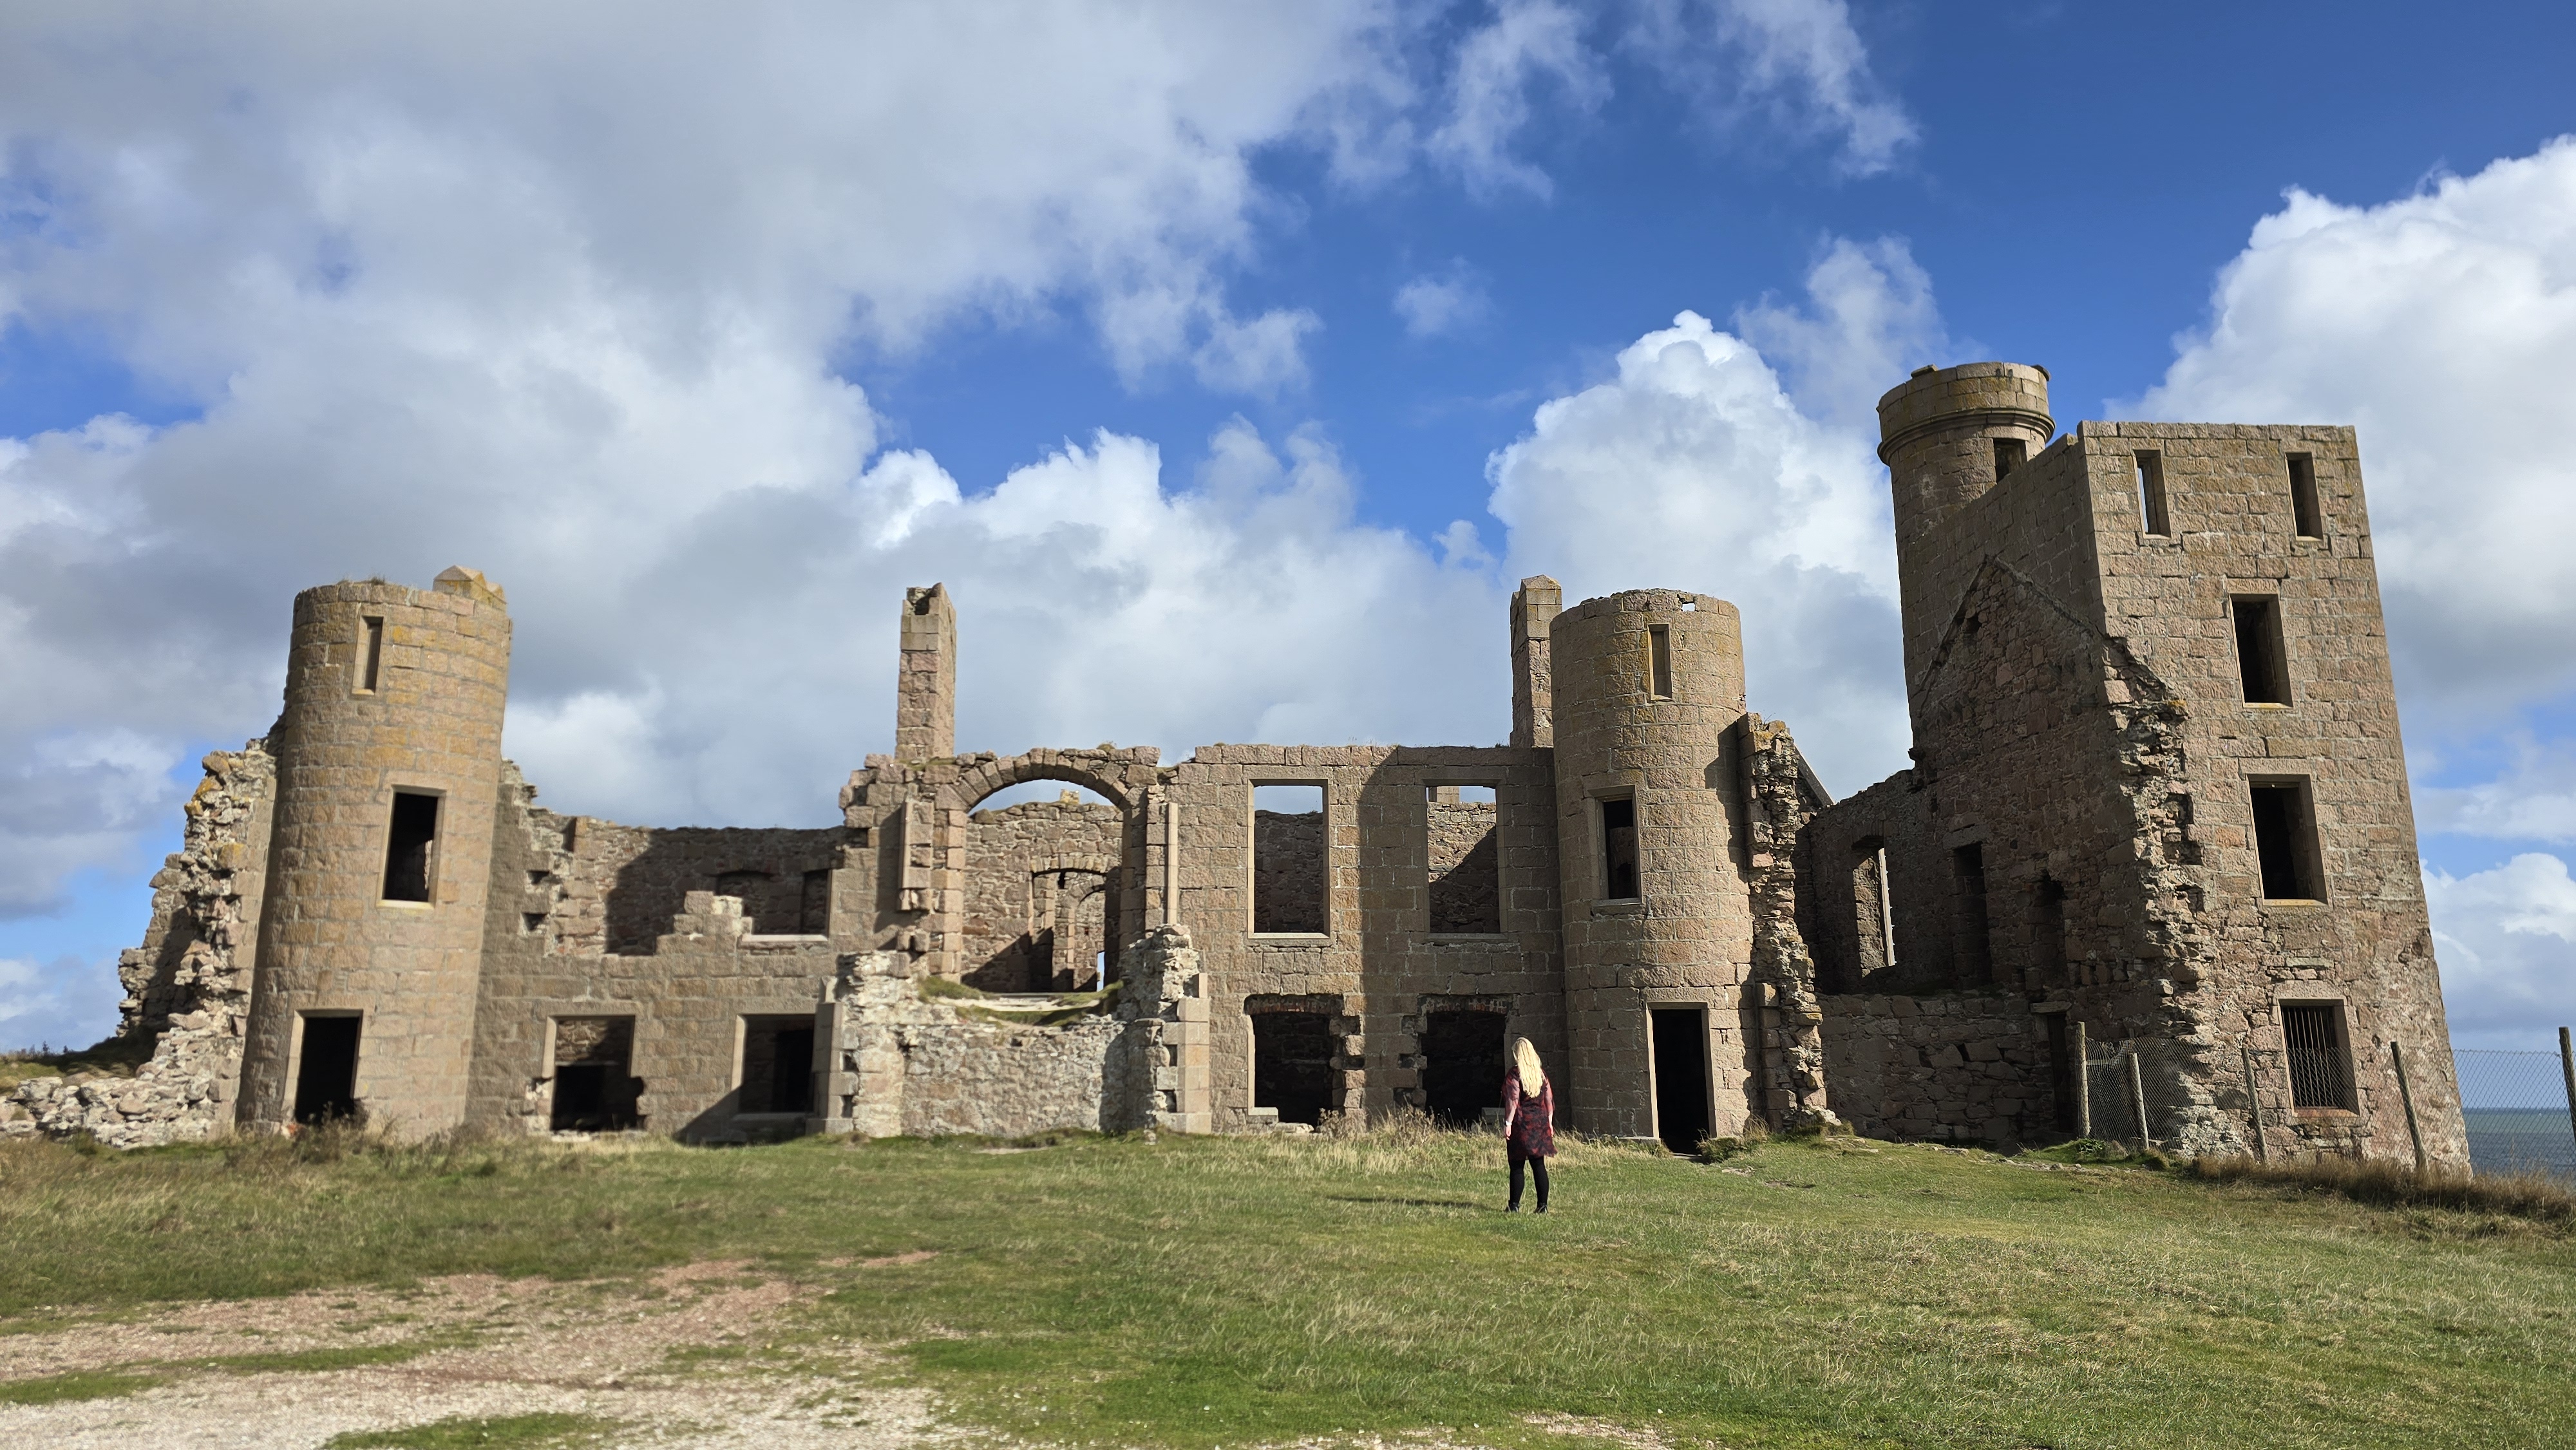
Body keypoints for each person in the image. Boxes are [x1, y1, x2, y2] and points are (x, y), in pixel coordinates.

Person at [1501, 1035, 1554, 1214]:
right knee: (1539, 1164)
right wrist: (1550, 1122)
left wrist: (1508, 1123)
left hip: (1521, 1124)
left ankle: (1514, 1205)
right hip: (1539, 1124)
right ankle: (1543, 1206)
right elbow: (1549, 1100)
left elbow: (1513, 1100)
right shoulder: (1540, 1074)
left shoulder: (1515, 1074)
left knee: (1517, 1164)